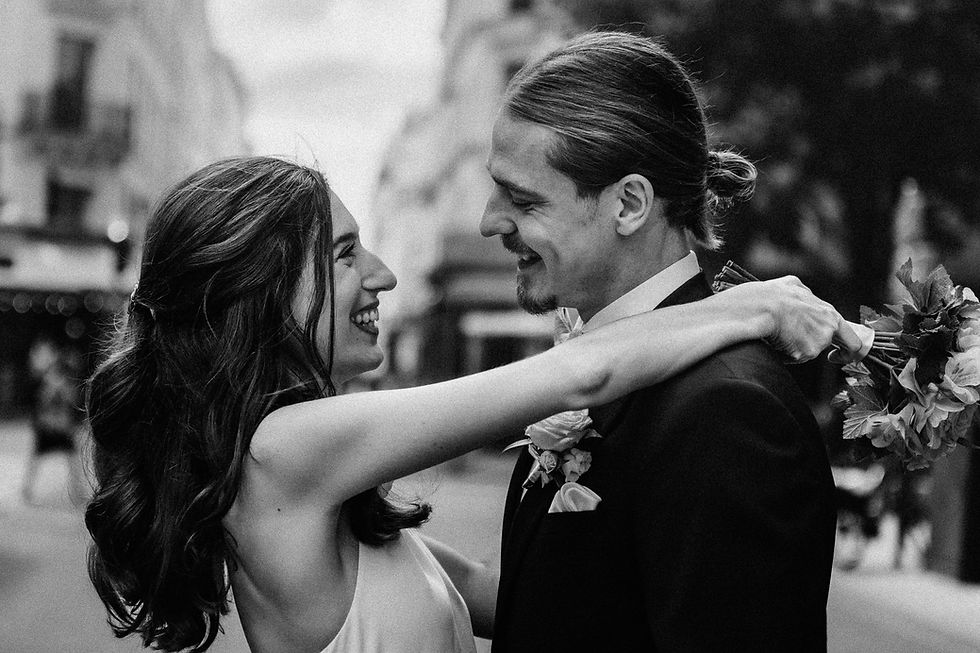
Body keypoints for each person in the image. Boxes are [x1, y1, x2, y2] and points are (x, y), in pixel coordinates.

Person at [84, 156, 853, 653]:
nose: (384, 275)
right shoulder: (282, 451)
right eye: (346, 253)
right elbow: (582, 374)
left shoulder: (325, 491)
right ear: (257, 289)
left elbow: (506, 594)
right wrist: (757, 307)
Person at [480, 31, 841, 652]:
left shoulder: (724, 412)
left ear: (629, 204)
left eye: (522, 199)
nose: (490, 221)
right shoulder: (598, 375)